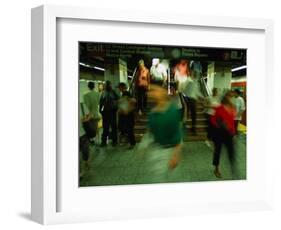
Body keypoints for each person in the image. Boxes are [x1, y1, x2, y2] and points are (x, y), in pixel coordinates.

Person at [142, 85, 183, 182]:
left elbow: (178, 134)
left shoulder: (172, 111)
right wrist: (143, 145)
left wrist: (176, 155)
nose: (151, 93)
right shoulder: (153, 113)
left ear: (163, 92)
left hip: (170, 151)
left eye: (155, 90)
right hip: (157, 150)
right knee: (157, 179)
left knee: (173, 179)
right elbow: (150, 131)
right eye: (151, 91)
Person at [211, 91, 237, 178]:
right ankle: (216, 169)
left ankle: (233, 167)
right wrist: (220, 123)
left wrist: (233, 134)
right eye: (230, 96)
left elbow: (232, 122)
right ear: (226, 97)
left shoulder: (233, 108)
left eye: (232, 97)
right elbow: (213, 120)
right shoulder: (219, 108)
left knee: (231, 151)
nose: (231, 98)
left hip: (228, 133)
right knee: (217, 151)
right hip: (219, 132)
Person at [99, 81, 119, 147]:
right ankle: (104, 142)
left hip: (112, 112)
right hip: (105, 113)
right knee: (105, 128)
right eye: (107, 85)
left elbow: (118, 99)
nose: (108, 86)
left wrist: (116, 108)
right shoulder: (103, 93)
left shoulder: (113, 92)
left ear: (111, 85)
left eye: (109, 85)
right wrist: (100, 111)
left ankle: (114, 141)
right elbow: (101, 102)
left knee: (114, 127)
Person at [117, 82, 136, 148]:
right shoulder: (124, 94)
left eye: (119, 87)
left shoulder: (126, 93)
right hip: (127, 115)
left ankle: (132, 143)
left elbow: (133, 101)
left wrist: (127, 110)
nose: (119, 89)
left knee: (130, 129)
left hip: (128, 115)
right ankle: (130, 142)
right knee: (127, 129)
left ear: (122, 87)